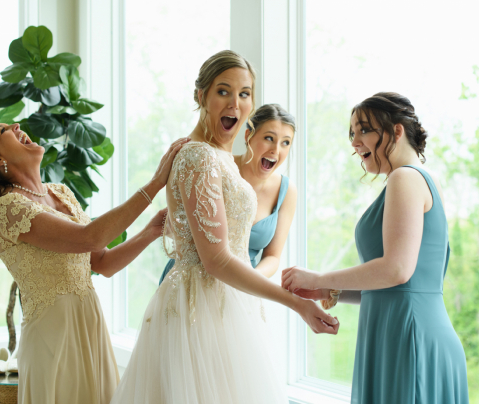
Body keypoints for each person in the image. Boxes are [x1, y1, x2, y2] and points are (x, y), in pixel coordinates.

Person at [111, 50, 338, 404]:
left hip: (227, 304)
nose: (235, 102)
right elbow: (215, 260)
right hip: (199, 306)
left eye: (244, 93)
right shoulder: (198, 156)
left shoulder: (221, 158)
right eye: (223, 91)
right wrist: (296, 304)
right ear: (202, 96)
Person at [0, 121, 188, 404]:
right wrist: (154, 185)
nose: (17, 124)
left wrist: (151, 231)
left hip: (90, 328)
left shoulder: (61, 193)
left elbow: (102, 262)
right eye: (4, 130)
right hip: (52, 340)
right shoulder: (8, 208)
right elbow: (90, 237)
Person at [282, 92, 469, 404]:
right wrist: (332, 291)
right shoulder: (416, 179)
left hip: (409, 340)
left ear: (396, 131)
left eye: (364, 130)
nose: (355, 142)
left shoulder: (405, 179)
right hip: (404, 334)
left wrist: (319, 280)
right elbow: (400, 285)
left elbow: (396, 270)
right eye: (352, 134)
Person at [158, 103, 297, 283]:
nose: (276, 150)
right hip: (194, 282)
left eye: (286, 142)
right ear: (248, 136)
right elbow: (177, 225)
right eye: (269, 138)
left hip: (244, 289)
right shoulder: (217, 168)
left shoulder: (286, 191)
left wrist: (249, 280)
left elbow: (273, 257)